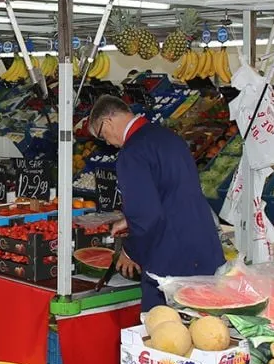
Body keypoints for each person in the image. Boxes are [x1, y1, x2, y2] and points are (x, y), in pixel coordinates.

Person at [88, 95, 224, 311]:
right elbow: (172, 193)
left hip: (170, 261)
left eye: (104, 135)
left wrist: (130, 251)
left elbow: (147, 217)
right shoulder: (169, 138)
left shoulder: (132, 153)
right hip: (205, 249)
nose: (109, 143)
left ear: (108, 121)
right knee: (203, 327)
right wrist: (128, 219)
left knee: (165, 332)